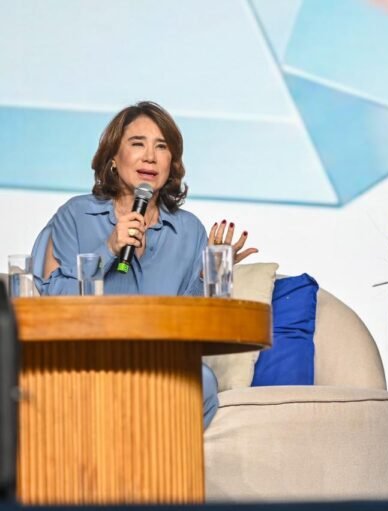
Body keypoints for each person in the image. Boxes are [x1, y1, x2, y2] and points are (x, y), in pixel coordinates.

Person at [30, 101, 258, 430]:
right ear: (112, 157)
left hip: (160, 366)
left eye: (161, 147)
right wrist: (109, 249)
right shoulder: (76, 215)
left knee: (201, 381)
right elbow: (53, 301)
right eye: (137, 143)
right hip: (89, 362)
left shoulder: (189, 229)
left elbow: (193, 325)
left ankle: (154, 465)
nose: (150, 156)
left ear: (172, 163)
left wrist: (211, 274)